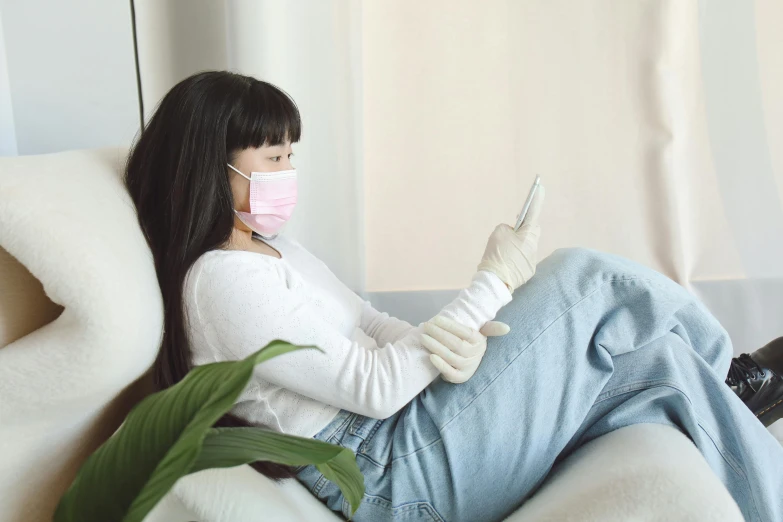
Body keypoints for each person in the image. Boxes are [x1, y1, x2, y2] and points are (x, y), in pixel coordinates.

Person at [124, 71, 783, 522]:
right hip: (388, 472)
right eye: (271, 158)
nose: (287, 172)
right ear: (212, 164)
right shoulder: (219, 280)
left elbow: (373, 325)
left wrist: (459, 344)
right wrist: (490, 284)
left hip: (407, 430)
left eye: (290, 153)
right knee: (584, 277)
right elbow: (375, 387)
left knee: (655, 366)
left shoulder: (273, 251)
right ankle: (730, 370)